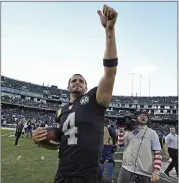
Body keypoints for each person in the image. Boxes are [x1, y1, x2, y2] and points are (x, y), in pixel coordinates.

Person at [32, 4, 118, 183]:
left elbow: (110, 73)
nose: (77, 82)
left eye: (81, 81)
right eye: (73, 80)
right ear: (68, 87)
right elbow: (60, 144)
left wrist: (109, 32)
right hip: (62, 173)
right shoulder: (61, 111)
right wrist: (40, 140)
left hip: (87, 175)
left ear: (86, 88)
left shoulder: (95, 99)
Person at [117, 111, 162, 183]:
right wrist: (121, 130)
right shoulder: (130, 130)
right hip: (126, 168)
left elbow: (158, 153)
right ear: (136, 118)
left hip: (144, 172)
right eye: (141, 115)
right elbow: (121, 144)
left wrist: (156, 171)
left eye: (145, 116)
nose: (143, 117)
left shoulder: (153, 133)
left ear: (148, 119)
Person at [100, 118, 117, 183]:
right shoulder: (109, 127)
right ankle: (110, 178)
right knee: (111, 161)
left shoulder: (100, 127)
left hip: (101, 145)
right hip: (108, 145)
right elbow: (114, 135)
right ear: (108, 122)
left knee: (101, 161)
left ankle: (100, 177)